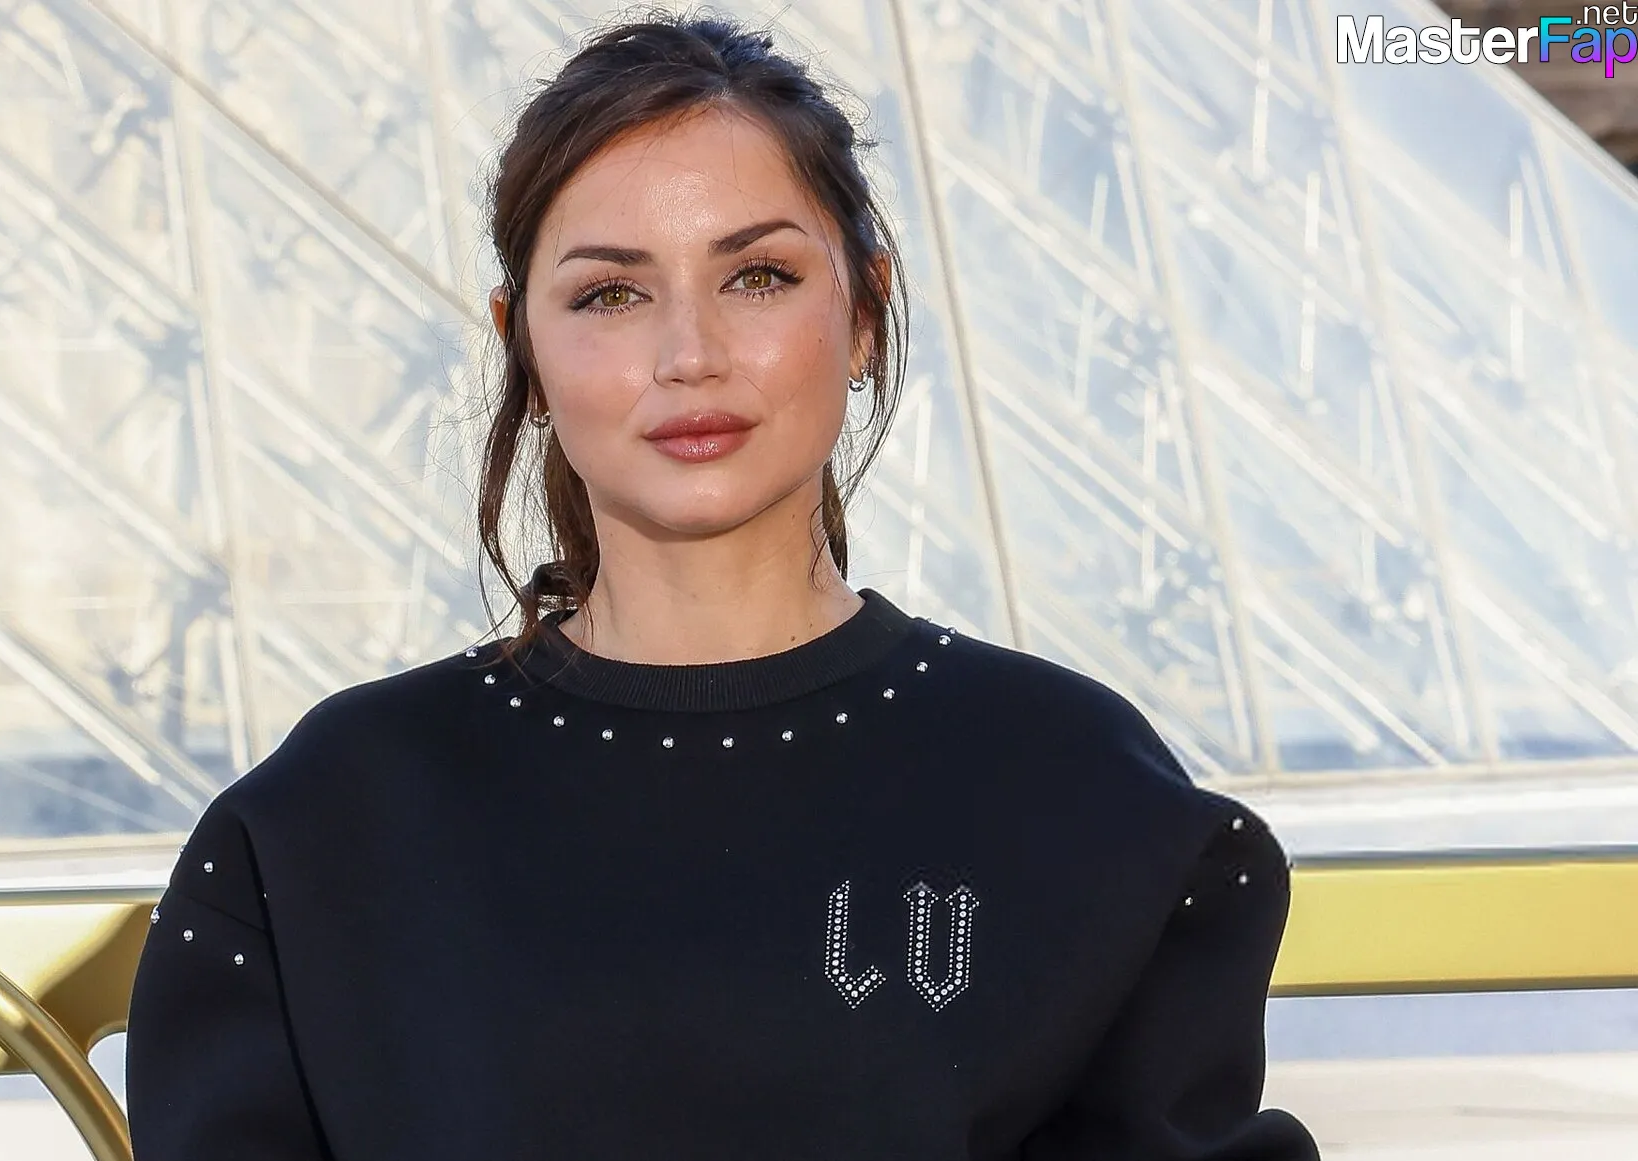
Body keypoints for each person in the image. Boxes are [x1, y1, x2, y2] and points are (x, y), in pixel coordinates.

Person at [125, 12, 1321, 1160]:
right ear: (521, 343)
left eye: (756, 277)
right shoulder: (325, 826)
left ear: (865, 311)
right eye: (612, 294)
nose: (689, 354)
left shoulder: (1075, 787)